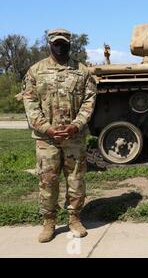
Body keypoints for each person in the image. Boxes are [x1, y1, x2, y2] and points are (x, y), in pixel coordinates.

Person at [22, 28, 97, 243]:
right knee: (48, 181)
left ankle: (74, 218)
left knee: (76, 179)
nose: (60, 46)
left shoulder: (82, 71)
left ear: (70, 44)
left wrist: (76, 125)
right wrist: (46, 128)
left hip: (74, 137)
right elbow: (30, 103)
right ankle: (49, 221)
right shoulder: (35, 71)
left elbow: (89, 102)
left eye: (63, 43)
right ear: (49, 44)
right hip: (47, 139)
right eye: (56, 43)